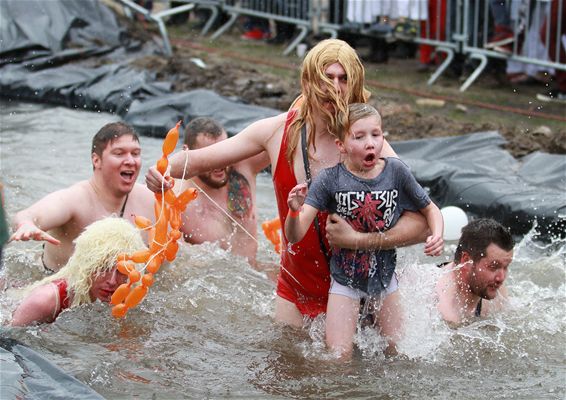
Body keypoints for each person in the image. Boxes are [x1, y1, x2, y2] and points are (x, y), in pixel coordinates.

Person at [146, 39, 435, 328]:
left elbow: (425, 225)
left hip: (364, 291)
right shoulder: (275, 132)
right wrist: (162, 170)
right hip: (296, 292)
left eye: (343, 79)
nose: (334, 87)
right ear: (308, 81)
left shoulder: (373, 149)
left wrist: (361, 240)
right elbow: (196, 161)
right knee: (287, 366)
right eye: (325, 77)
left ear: (355, 85)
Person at [285, 103, 444, 356]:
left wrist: (437, 234)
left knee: (398, 353)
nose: (370, 143)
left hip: (385, 279)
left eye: (376, 135)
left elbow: (431, 209)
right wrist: (294, 211)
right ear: (341, 145)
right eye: (359, 137)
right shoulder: (329, 179)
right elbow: (294, 234)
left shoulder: (396, 171)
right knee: (337, 358)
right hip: (345, 281)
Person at [9, 122, 154, 273]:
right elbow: (27, 216)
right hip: (51, 281)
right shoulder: (76, 199)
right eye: (119, 153)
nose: (131, 161)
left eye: (135, 153)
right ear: (96, 160)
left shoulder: (148, 200)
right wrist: (26, 224)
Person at [10, 217, 144, 326]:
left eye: (122, 271)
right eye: (104, 267)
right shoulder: (44, 300)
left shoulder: (129, 294)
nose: (112, 281)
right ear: (87, 264)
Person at [175, 117, 269, 269]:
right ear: (188, 153)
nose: (220, 163)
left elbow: (284, 136)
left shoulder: (246, 166)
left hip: (256, 271)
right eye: (210, 155)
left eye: (223, 153)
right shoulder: (176, 199)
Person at [436, 218, 514, 325]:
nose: (501, 278)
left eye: (505, 267)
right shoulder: (443, 309)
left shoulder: (495, 290)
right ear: (466, 260)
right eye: (493, 267)